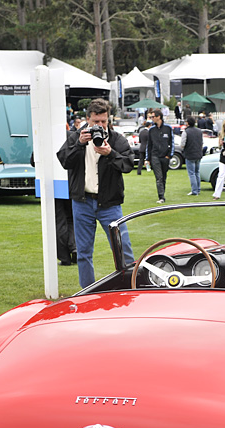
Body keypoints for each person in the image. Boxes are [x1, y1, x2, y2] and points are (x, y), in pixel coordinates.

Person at [56, 98, 136, 289]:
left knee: (123, 249)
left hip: (109, 204)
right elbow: (64, 161)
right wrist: (79, 144)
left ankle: (130, 289)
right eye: (96, 122)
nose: (100, 126)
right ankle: (87, 294)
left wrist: (111, 154)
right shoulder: (77, 136)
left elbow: (128, 165)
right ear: (88, 120)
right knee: (83, 252)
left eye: (104, 122)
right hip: (82, 202)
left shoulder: (117, 140)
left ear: (109, 120)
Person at [144, 108, 173, 203]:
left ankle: (162, 193)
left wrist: (169, 155)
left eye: (153, 117)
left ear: (158, 117)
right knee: (159, 177)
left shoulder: (168, 128)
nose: (151, 118)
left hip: (165, 156)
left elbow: (171, 142)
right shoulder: (151, 130)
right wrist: (148, 158)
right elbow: (149, 145)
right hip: (155, 156)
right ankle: (161, 196)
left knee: (164, 177)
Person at [181, 117, 204, 196]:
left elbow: (182, 144)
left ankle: (194, 190)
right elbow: (201, 143)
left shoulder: (186, 132)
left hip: (190, 154)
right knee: (197, 172)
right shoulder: (199, 131)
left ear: (188, 123)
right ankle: (198, 189)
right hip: (198, 153)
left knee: (191, 173)